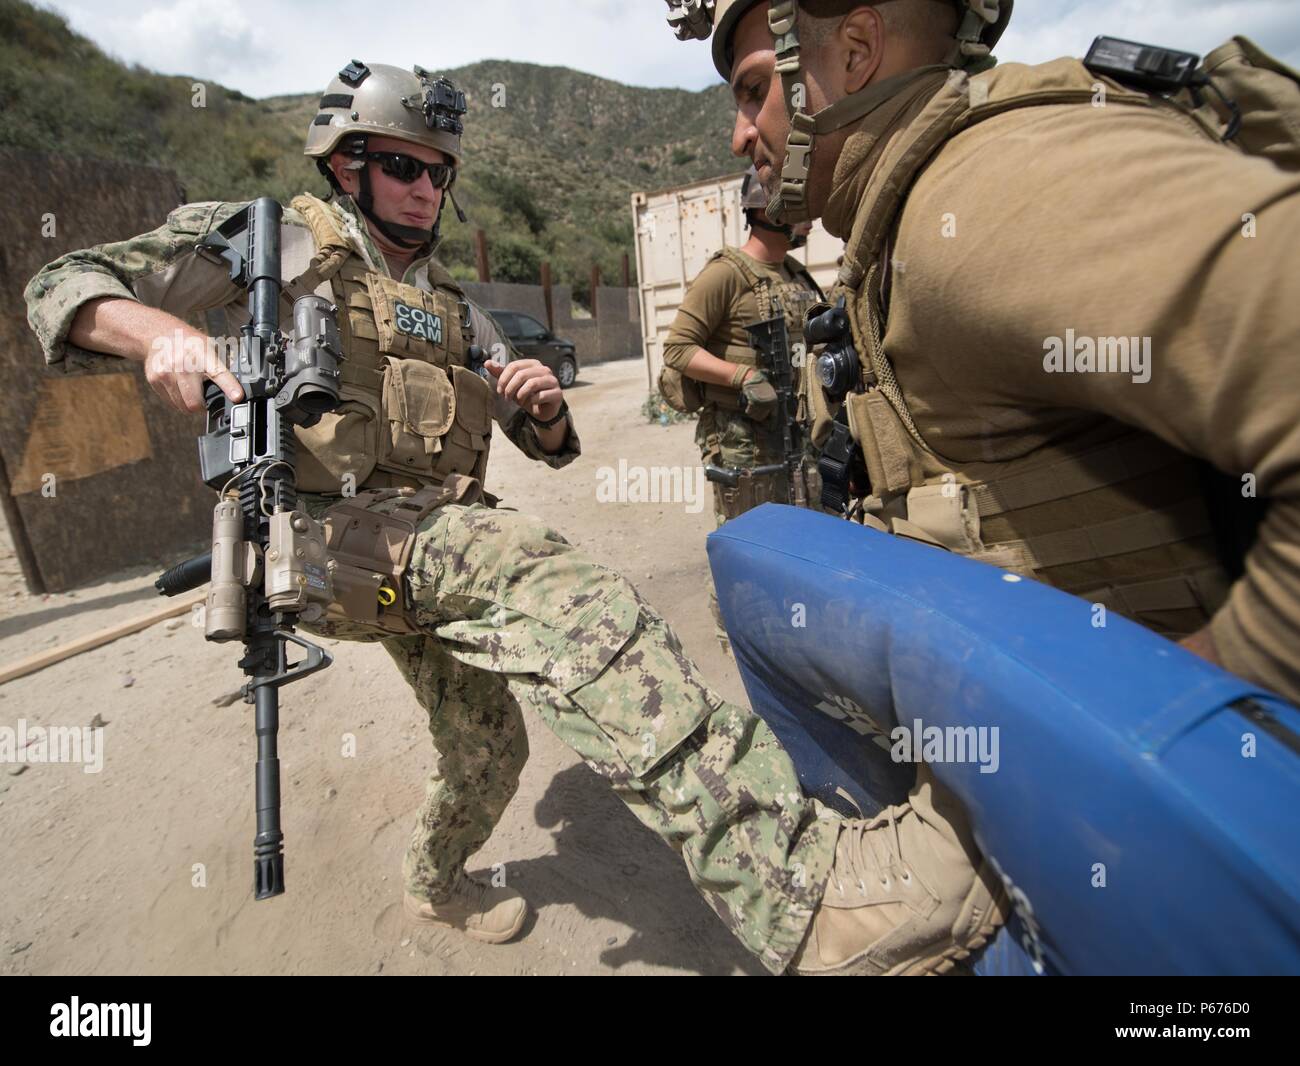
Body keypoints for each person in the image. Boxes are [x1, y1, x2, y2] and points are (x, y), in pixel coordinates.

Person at [26, 59, 981, 977]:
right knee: (547, 578)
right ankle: (805, 893)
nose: (422, 189)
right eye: (400, 166)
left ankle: (433, 885)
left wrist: (545, 409)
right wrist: (164, 333)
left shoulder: (453, 312)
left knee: (489, 748)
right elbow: (59, 285)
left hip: (423, 553)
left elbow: (553, 453)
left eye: (437, 173)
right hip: (314, 545)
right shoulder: (278, 244)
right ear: (345, 163)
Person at [669, 0, 1300, 973]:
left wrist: (1183, 737)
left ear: (850, 48)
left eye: (753, 89)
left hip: (1125, 881)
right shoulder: (897, 229)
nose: (739, 130)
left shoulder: (978, 202)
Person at [660, 165, 824, 652]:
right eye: (797, 207)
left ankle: (791, 637)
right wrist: (742, 375)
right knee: (748, 545)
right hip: (742, 443)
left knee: (800, 538)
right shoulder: (725, 274)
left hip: (797, 436)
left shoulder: (796, 276)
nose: (808, 218)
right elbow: (678, 348)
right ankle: (744, 643)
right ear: (767, 210)